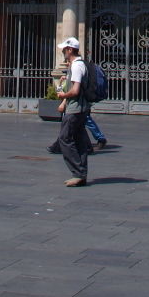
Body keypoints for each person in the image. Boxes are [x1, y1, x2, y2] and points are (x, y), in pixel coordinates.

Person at [55, 37, 90, 187]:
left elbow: (75, 91)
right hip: (81, 108)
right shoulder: (79, 65)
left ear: (70, 50)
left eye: (64, 49)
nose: (63, 52)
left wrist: (63, 96)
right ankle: (81, 175)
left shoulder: (76, 66)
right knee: (79, 141)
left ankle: (77, 172)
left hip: (75, 109)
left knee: (64, 139)